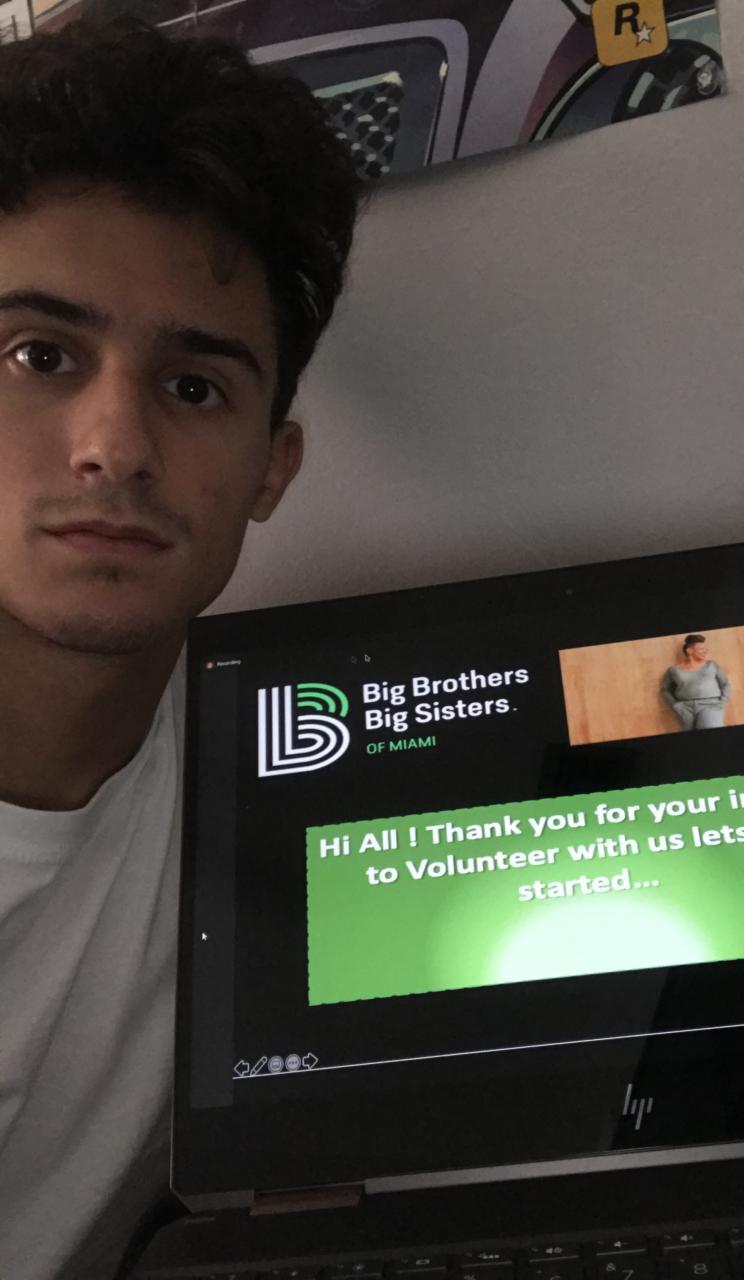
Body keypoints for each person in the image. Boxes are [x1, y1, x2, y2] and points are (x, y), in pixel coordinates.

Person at [0, 14, 363, 1279]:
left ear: (271, 469)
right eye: (39, 355)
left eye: (193, 385)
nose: (113, 446)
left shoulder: (264, 769)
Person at [660, 633, 732, 730]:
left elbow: (725, 683)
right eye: (701, 649)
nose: (706, 651)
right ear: (689, 651)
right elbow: (665, 689)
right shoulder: (673, 670)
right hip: (685, 708)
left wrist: (722, 701)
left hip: (711, 705)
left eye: (706, 649)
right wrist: (675, 704)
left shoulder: (711, 665)